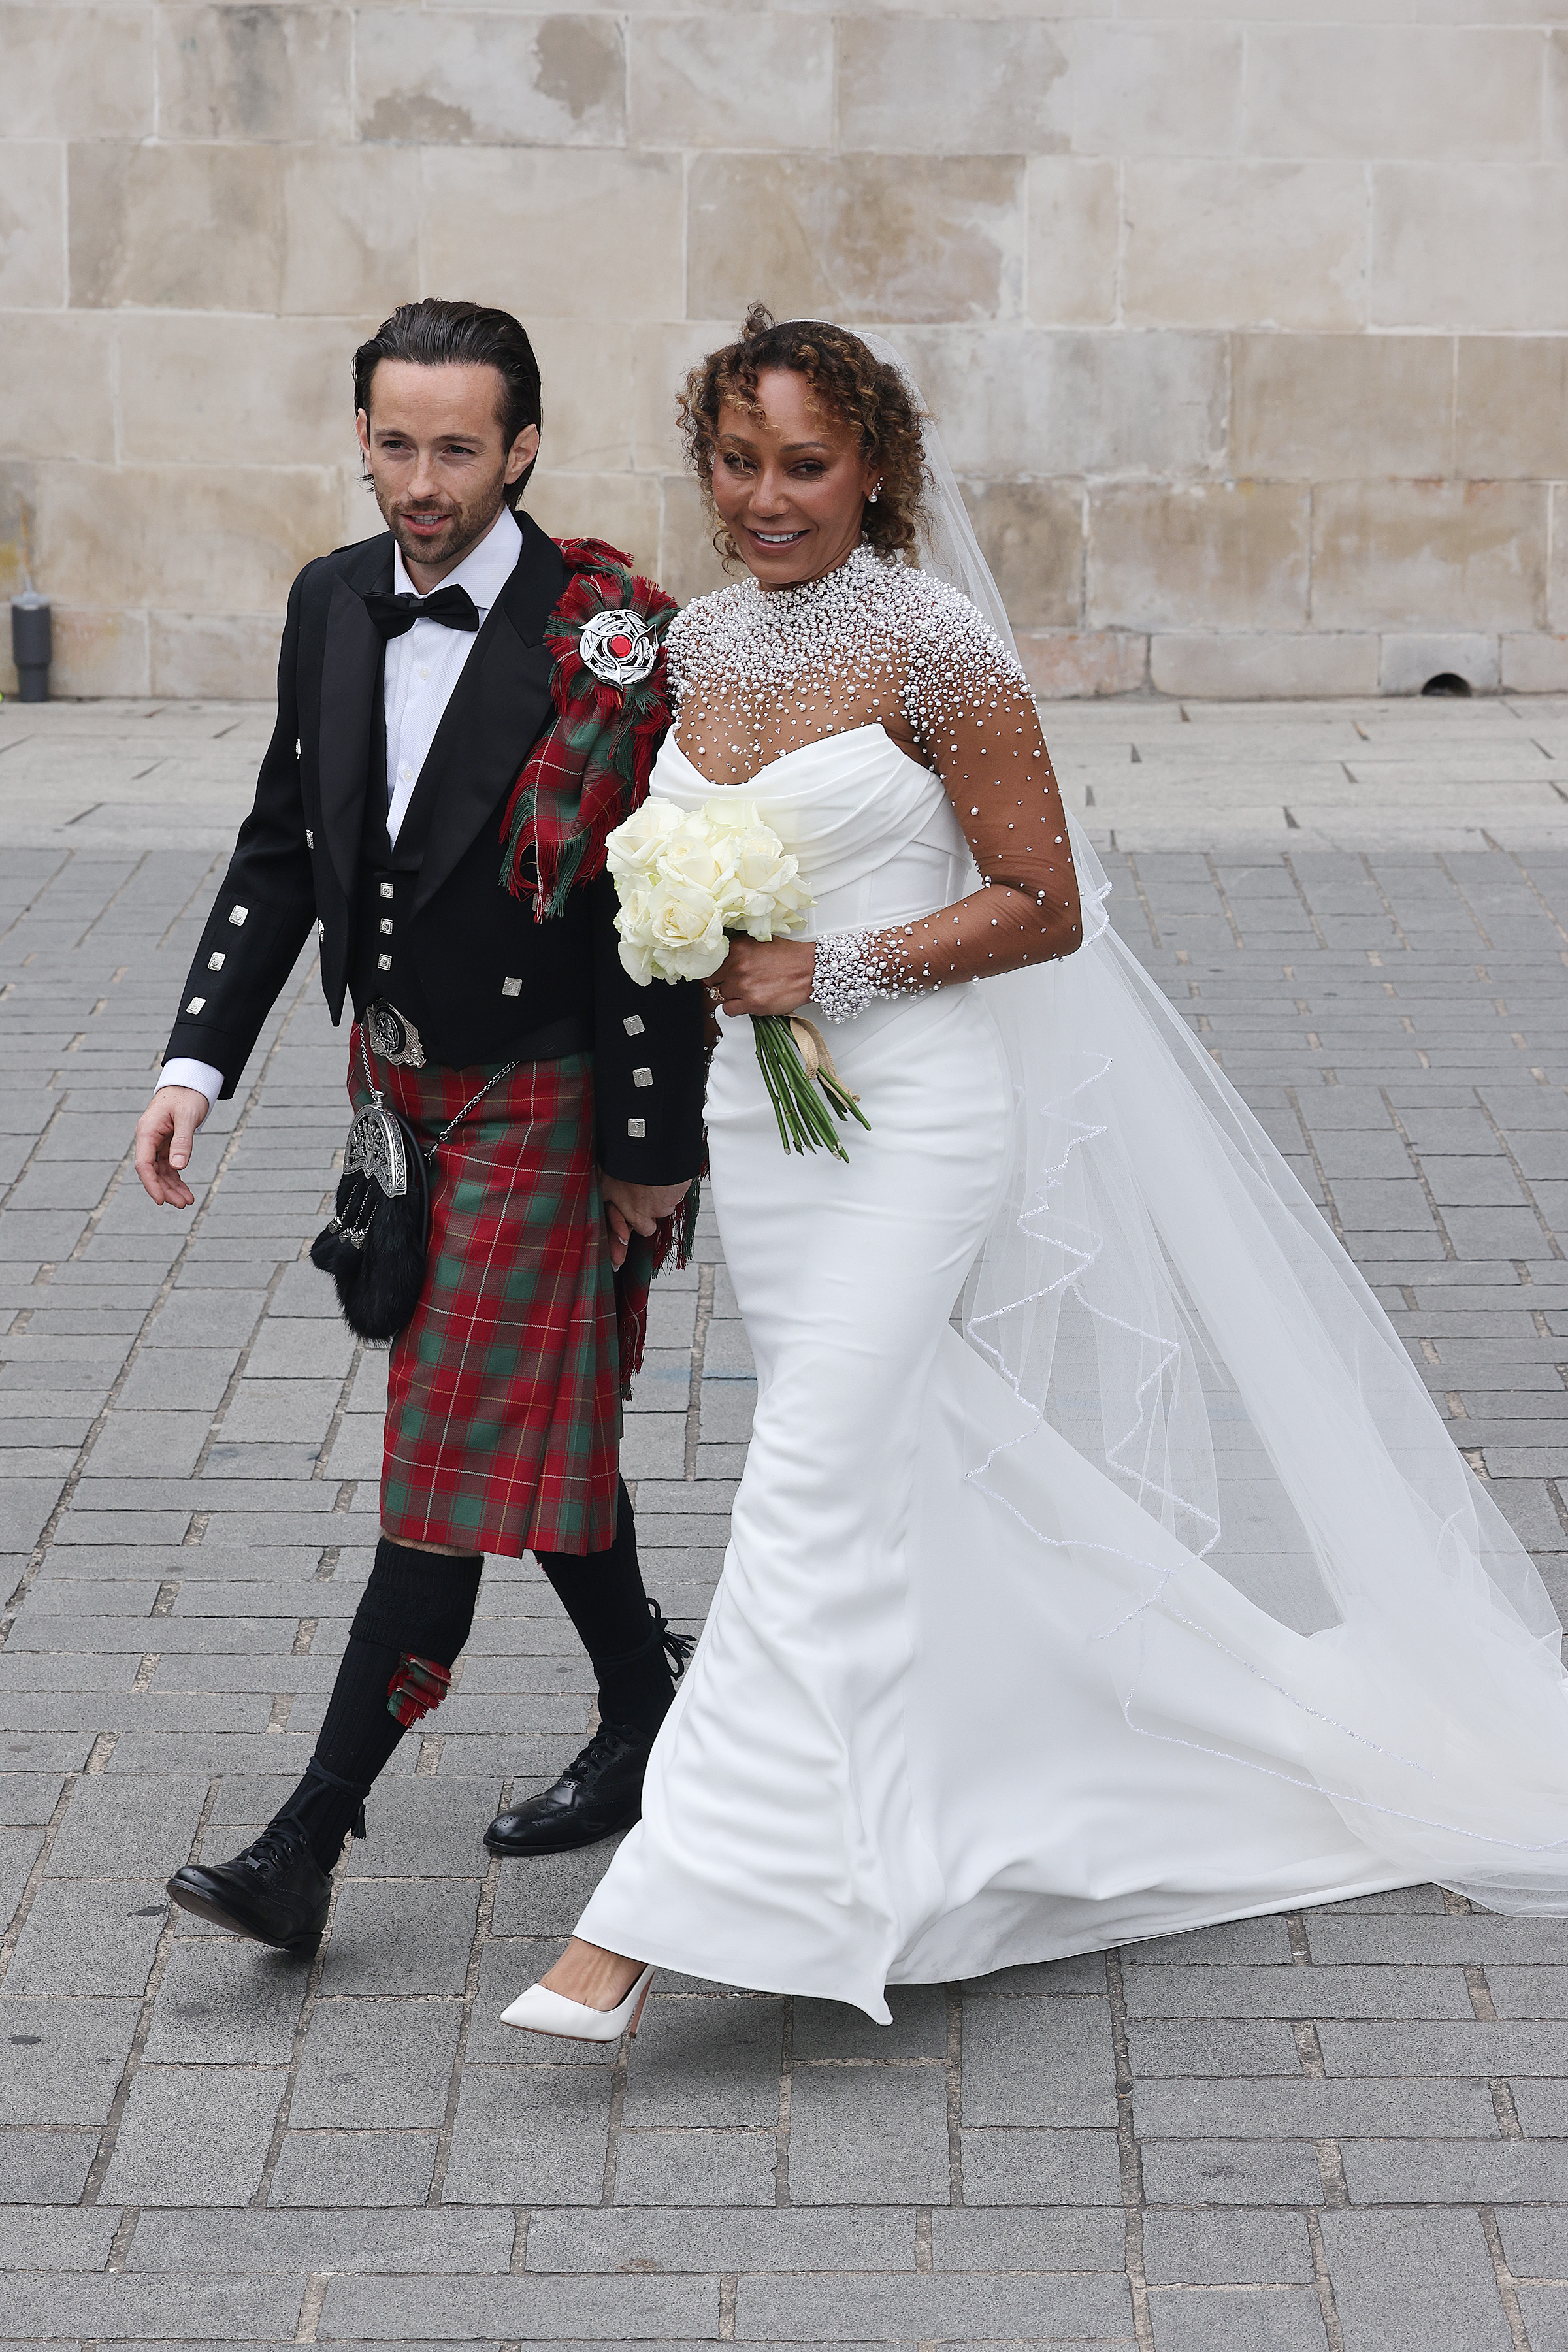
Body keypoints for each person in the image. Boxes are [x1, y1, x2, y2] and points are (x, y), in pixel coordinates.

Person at [502, 307, 1568, 2044]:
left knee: (809, 1474)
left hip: (917, 1120)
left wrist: (827, 973)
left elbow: (1045, 906)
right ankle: (946, 1809)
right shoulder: (695, 645)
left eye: (807, 465)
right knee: (889, 1463)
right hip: (773, 1137)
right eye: (739, 460)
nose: (768, 496)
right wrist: (694, 947)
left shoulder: (941, 651)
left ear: (877, 471)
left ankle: (655, 1910)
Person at [133, 298, 706, 1957]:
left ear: (524, 446)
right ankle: (645, 1703)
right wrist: (197, 1068)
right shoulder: (331, 600)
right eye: (396, 442)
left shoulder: (604, 636)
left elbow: (647, 916)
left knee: (448, 1458)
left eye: (459, 446)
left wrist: (649, 1151)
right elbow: (279, 853)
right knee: (529, 1425)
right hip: (396, 1096)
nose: (422, 479)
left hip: (546, 1096)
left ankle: (308, 1840)